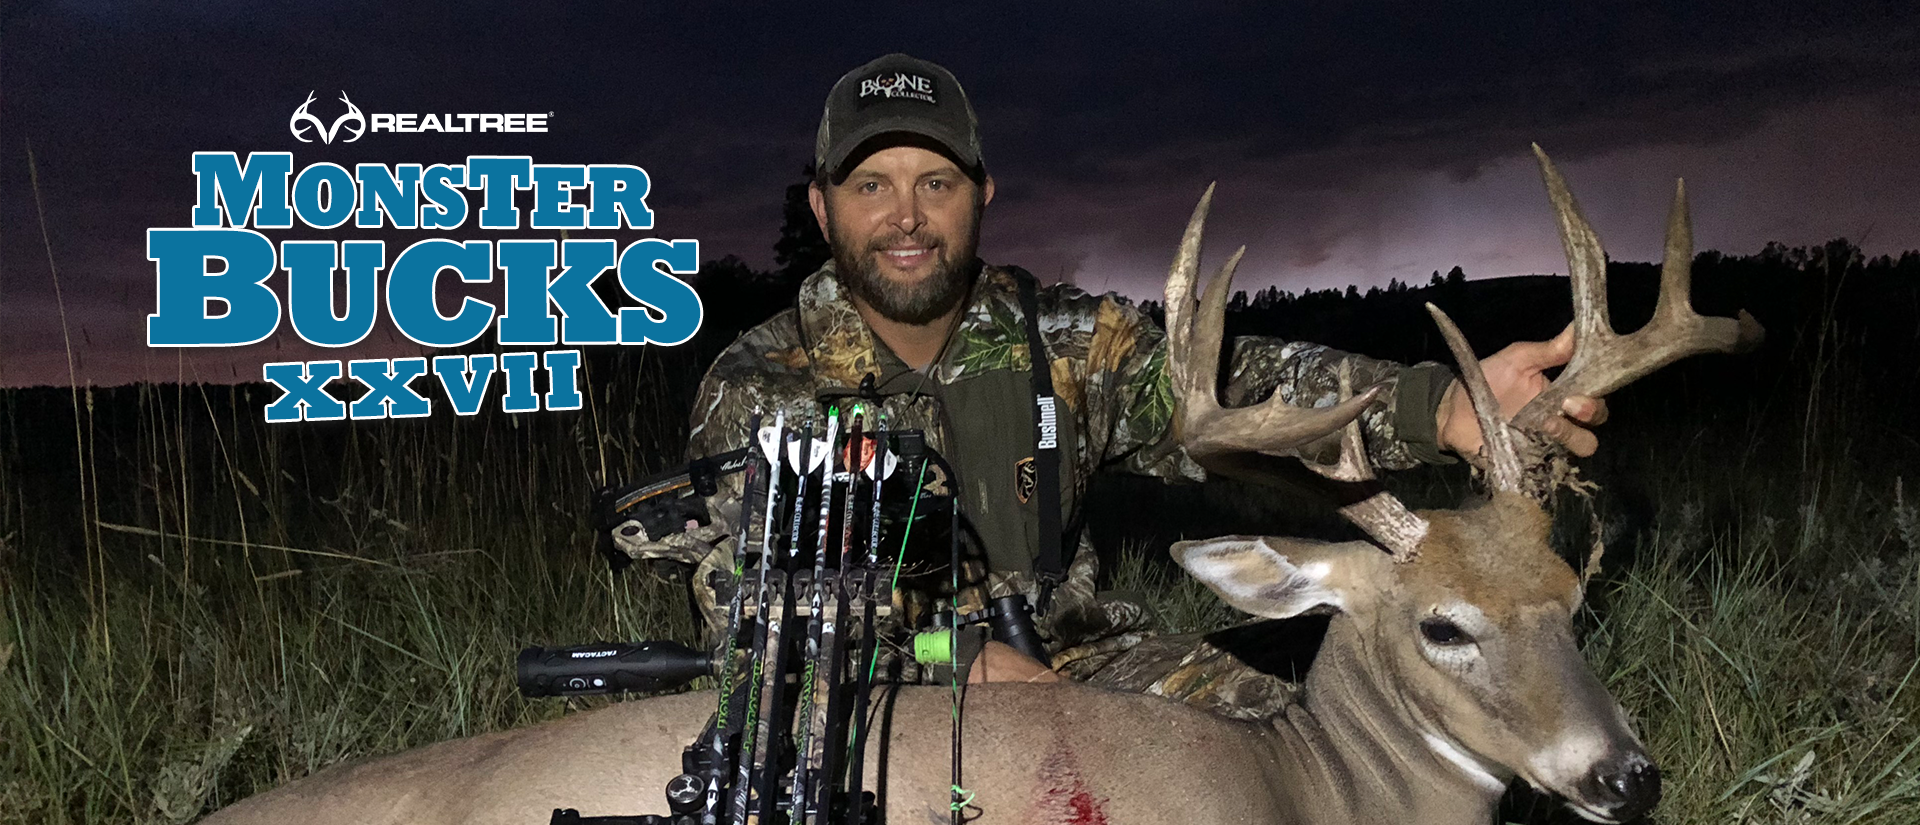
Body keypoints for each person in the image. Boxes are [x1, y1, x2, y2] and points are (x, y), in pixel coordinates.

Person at [612, 53, 1606, 692]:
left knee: (1280, 764)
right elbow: (754, 619)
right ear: (824, 211)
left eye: (936, 183)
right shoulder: (761, 385)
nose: (905, 216)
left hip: (1083, 668)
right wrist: (954, 657)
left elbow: (1236, 379)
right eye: (871, 185)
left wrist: (1448, 409)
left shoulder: (1065, 341)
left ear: (981, 195)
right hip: (872, 705)